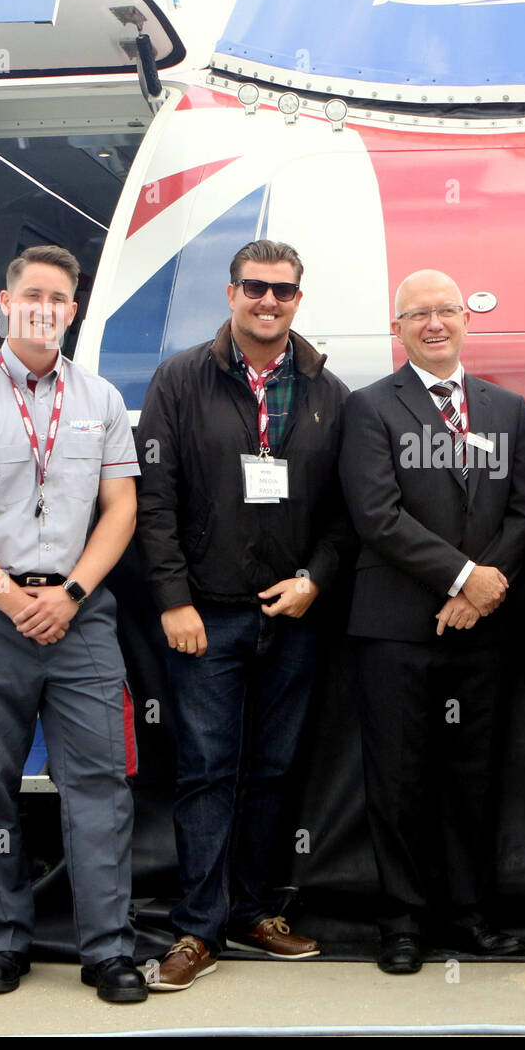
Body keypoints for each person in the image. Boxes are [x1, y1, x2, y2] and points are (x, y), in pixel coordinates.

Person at [0, 245, 145, 1003]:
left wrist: (72, 593)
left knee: (100, 786)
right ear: (7, 302)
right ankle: (3, 940)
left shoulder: (103, 401)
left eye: (60, 297)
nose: (46, 307)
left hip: (80, 615)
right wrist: (13, 599)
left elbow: (121, 510)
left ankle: (108, 949)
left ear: (74, 311)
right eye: (33, 294)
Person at [136, 238, 351, 990]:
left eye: (283, 291)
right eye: (254, 288)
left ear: (299, 298)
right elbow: (153, 505)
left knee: (275, 771)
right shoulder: (179, 379)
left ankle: (255, 913)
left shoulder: (329, 390)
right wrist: (173, 600)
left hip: (293, 616)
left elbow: (344, 514)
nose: (268, 301)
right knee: (204, 772)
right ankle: (195, 931)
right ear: (230, 294)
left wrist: (313, 582)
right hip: (208, 618)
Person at [338, 269, 525, 974]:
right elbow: (376, 515)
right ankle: (401, 923)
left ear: (466, 320)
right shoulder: (369, 408)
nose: (433, 324)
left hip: (482, 628)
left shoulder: (507, 409)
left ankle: (470, 916)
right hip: (395, 629)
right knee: (397, 780)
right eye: (417, 314)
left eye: (445, 311)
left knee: (473, 777)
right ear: (398, 329)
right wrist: (463, 576)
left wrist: (484, 590)